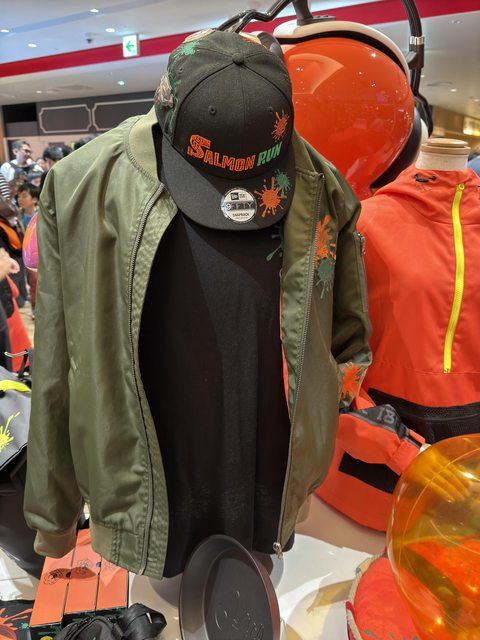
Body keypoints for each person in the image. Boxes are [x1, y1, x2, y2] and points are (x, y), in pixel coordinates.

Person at [24, 30, 371, 579]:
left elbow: (348, 340)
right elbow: (54, 369)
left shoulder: (322, 188)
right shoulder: (81, 187)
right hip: (144, 499)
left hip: (270, 488)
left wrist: (321, 426)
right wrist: (54, 518)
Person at [317, 137, 480, 530]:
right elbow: (320, 357)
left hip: (464, 488)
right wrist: (396, 448)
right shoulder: (365, 222)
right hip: (364, 482)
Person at [17, 183, 39, 319]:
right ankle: (34, 306)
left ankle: (36, 307)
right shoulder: (17, 216)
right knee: (31, 281)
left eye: (24, 196)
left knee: (35, 280)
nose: (20, 199)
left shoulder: (40, 215)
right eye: (19, 196)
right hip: (23, 254)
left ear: (34, 199)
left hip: (37, 255)